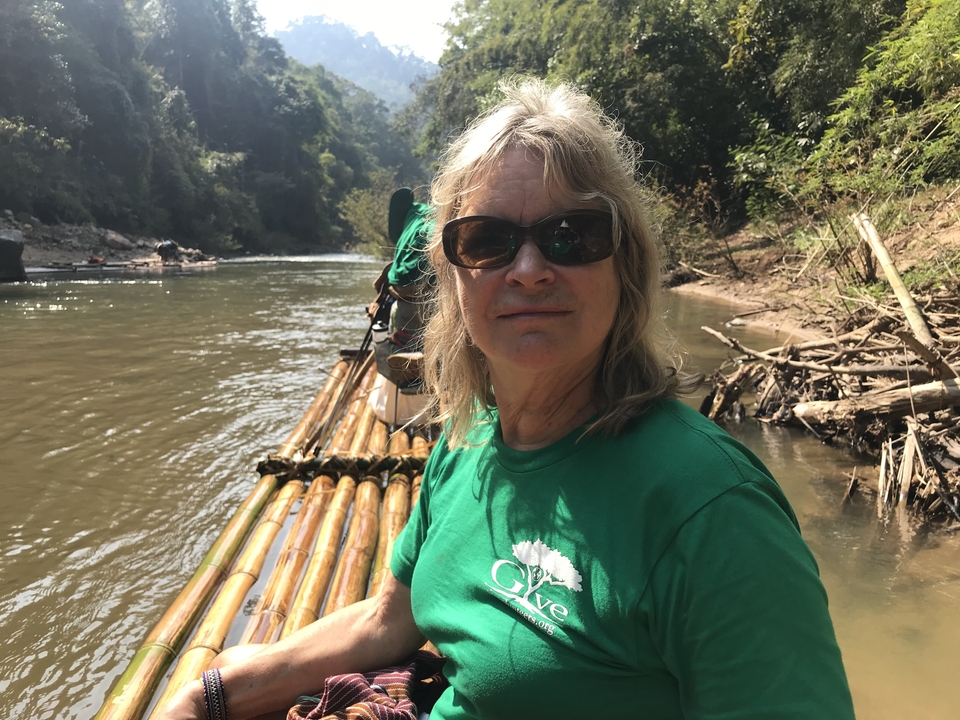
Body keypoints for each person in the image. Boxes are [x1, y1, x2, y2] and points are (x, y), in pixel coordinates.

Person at [156, 79, 855, 720]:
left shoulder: (711, 511)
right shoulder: (464, 444)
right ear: (452, 277)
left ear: (627, 263)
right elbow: (386, 621)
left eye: (570, 235)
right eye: (487, 240)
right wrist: (210, 693)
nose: (527, 271)